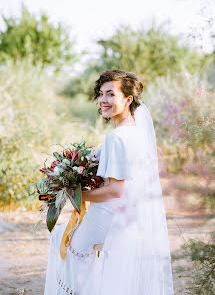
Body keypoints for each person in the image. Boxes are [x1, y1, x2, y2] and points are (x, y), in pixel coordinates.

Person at [44, 69, 174, 295]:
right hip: (128, 215)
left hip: (109, 213)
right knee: (62, 238)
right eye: (102, 94)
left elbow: (115, 190)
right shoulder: (134, 131)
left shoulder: (117, 137)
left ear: (128, 99)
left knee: (70, 248)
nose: (104, 100)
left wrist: (74, 195)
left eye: (111, 94)